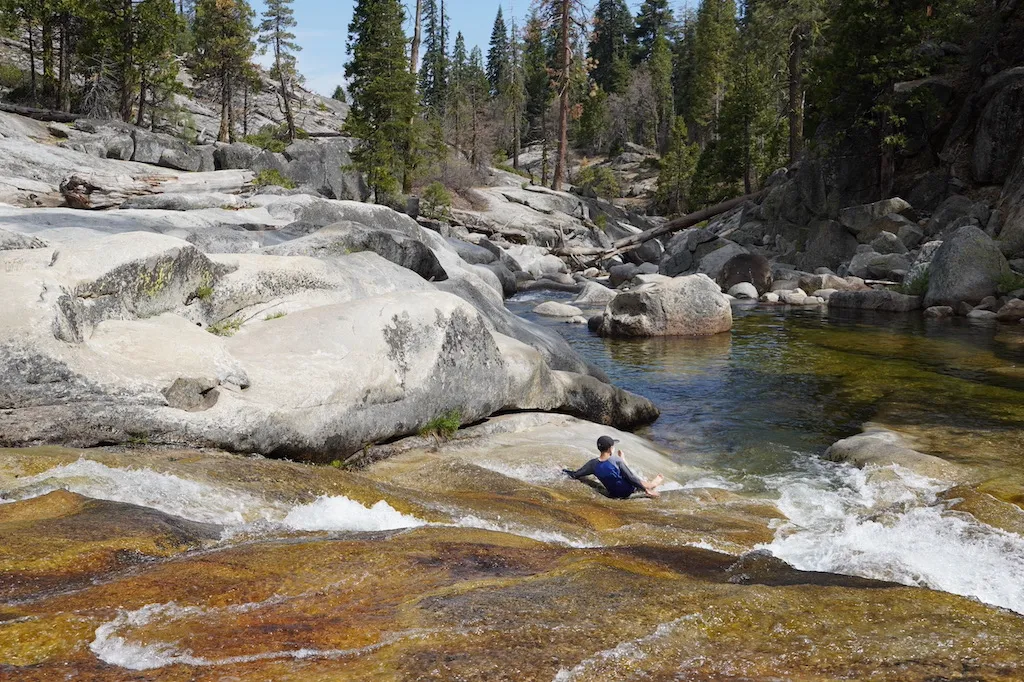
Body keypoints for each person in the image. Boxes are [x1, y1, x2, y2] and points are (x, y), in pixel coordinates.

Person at [563, 436, 664, 499]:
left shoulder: (592, 465)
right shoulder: (616, 460)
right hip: (628, 491)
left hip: (613, 494)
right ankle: (651, 485)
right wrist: (645, 490)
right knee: (629, 472)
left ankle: (624, 460)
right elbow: (631, 478)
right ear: (611, 449)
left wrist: (564, 471)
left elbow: (577, 474)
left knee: (620, 469)